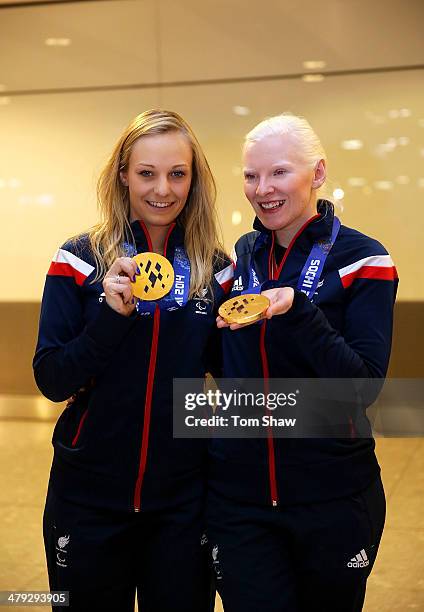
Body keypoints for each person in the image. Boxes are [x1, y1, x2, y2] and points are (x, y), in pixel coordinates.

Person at [33, 109, 233, 611]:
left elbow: (232, 377)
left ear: (195, 178)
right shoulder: (78, 258)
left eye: (177, 173)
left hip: (184, 504)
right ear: (122, 174)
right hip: (88, 500)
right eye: (146, 173)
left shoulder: (218, 268)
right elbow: (53, 378)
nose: (162, 189)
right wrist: (110, 317)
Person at [207, 113, 398, 612]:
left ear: (317, 173)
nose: (262, 189)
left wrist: (298, 310)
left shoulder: (364, 259)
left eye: (279, 172)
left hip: (333, 500)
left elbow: (364, 387)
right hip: (240, 504)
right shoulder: (240, 261)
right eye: (251, 175)